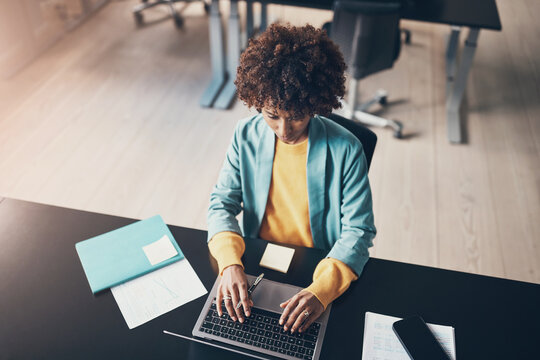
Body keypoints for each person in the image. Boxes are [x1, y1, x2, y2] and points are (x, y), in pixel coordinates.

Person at [207, 23, 376, 335]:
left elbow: (359, 231)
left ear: (314, 105)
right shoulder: (245, 134)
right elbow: (221, 204)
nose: (284, 131)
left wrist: (321, 291)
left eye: (296, 116)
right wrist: (230, 263)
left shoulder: (347, 148)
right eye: (272, 115)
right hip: (257, 260)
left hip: (319, 265)